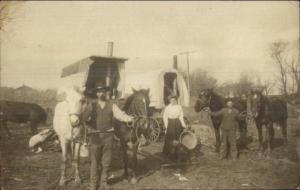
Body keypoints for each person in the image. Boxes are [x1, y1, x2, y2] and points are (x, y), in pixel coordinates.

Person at [83, 84, 134, 190]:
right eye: (99, 91)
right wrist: (88, 127)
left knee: (106, 161)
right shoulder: (91, 106)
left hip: (108, 136)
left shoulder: (112, 105)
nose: (101, 93)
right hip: (95, 136)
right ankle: (93, 184)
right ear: (96, 93)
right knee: (95, 161)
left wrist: (130, 118)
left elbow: (120, 115)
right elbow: (83, 119)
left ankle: (104, 182)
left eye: (103, 91)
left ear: (105, 93)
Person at [162, 95, 188, 161]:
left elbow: (181, 117)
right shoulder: (167, 108)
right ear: (169, 100)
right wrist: (166, 126)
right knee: (170, 138)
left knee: (178, 138)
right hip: (170, 124)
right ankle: (169, 154)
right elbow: (165, 117)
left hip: (177, 124)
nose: (173, 101)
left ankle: (178, 154)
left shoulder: (179, 107)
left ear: (176, 100)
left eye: (174, 100)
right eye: (171, 100)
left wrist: (184, 125)